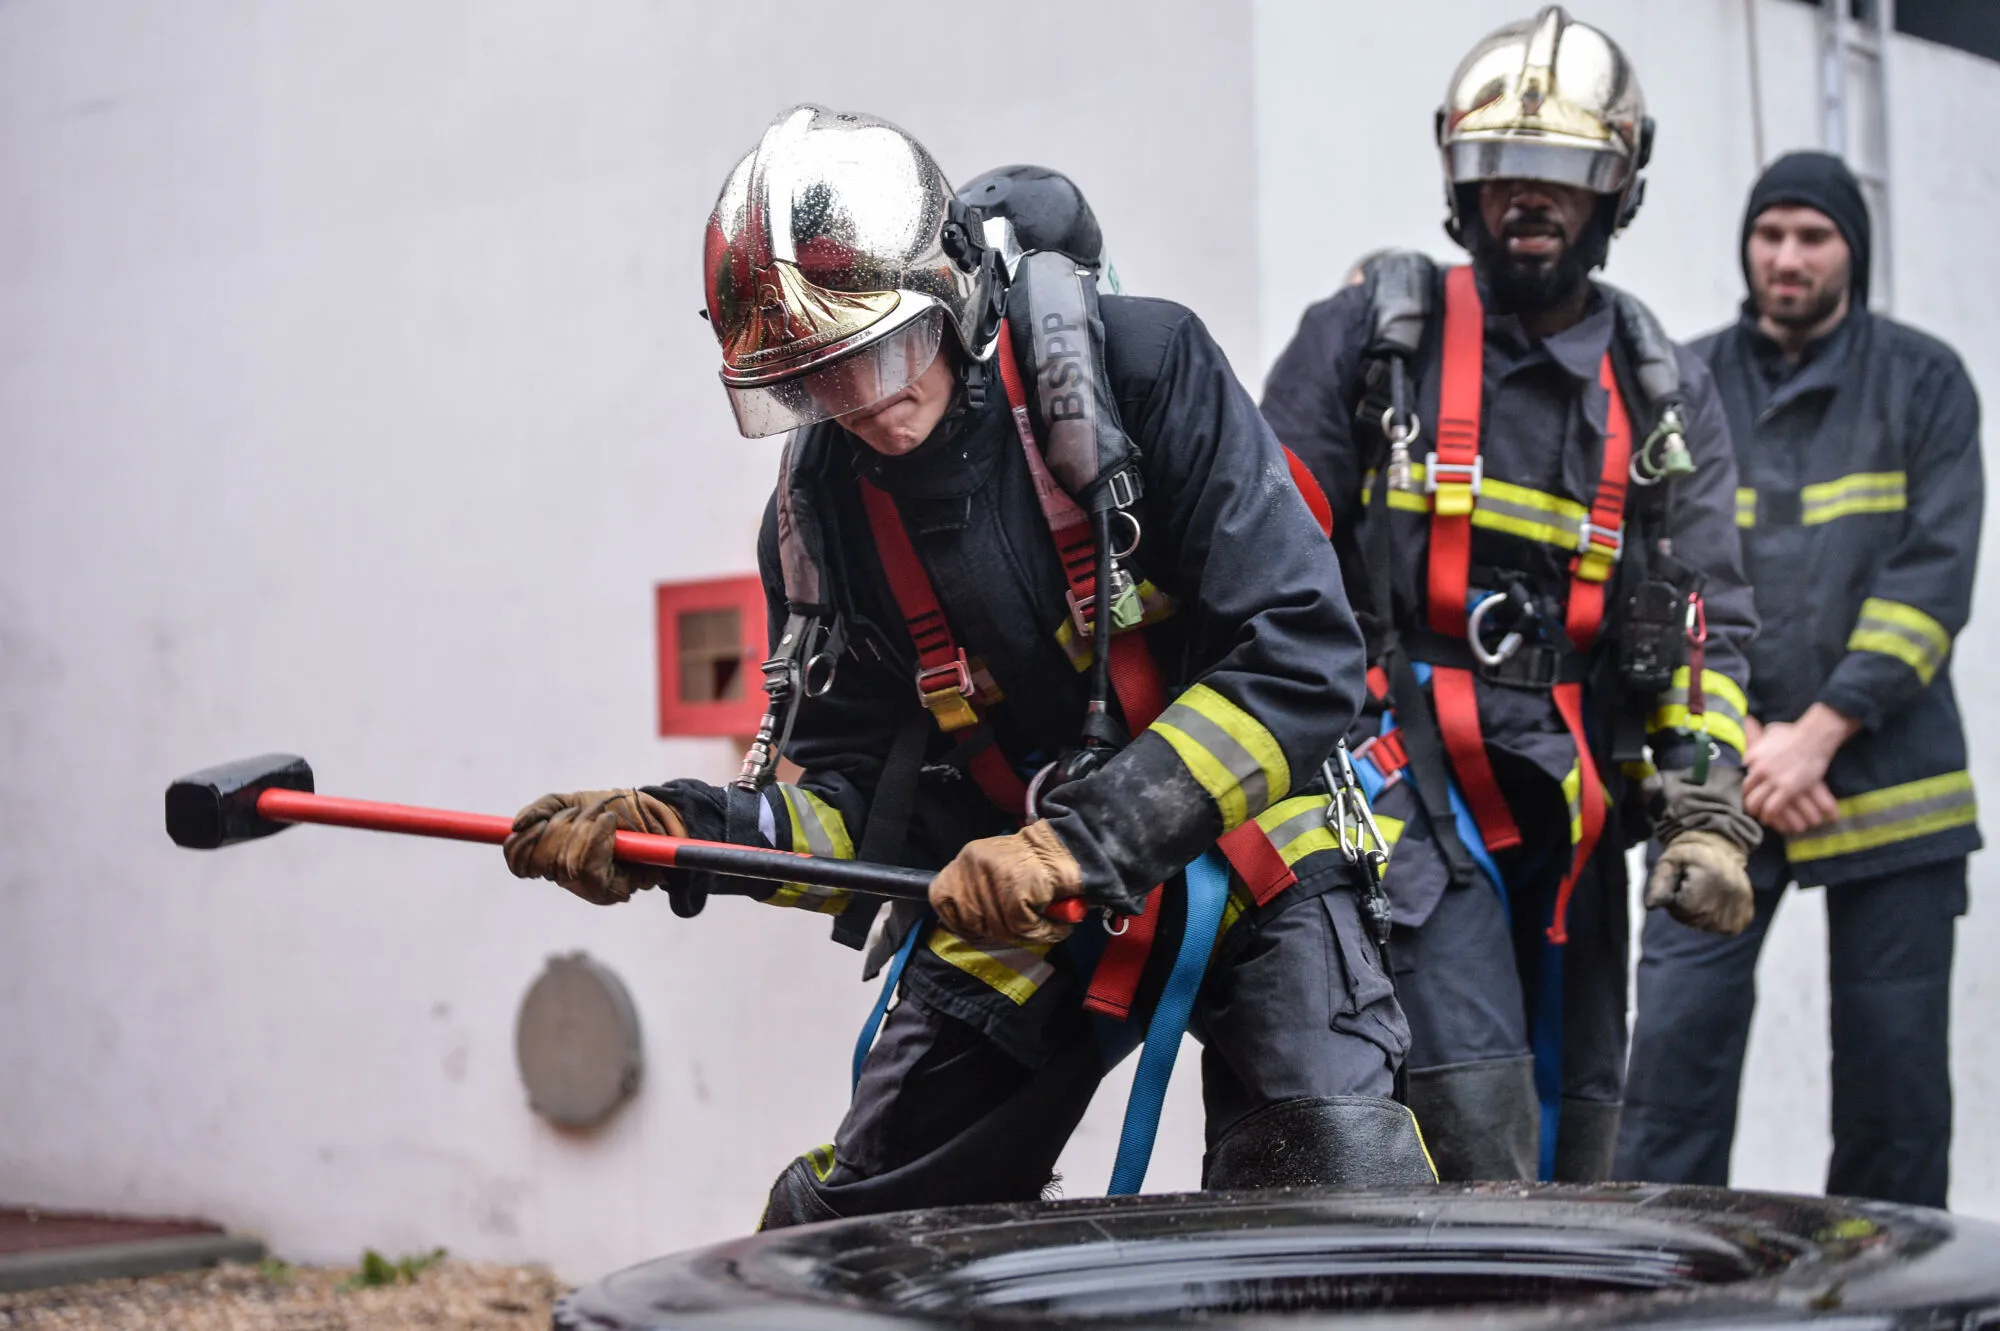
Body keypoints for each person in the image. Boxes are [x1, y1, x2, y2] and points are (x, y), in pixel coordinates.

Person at [502, 107, 1435, 1226]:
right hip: (1018, 902)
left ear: (954, 290)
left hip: (1251, 847)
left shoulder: (1148, 370)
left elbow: (1299, 658)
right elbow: (860, 811)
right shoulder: (819, 516)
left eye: (882, 349)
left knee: (1332, 1205)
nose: (865, 406)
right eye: (814, 380)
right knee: (850, 1240)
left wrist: (1078, 842)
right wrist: (677, 832)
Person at [1260, 6, 1761, 1183]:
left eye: (1563, 178)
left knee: (1579, 1123)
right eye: (1500, 175)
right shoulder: (1370, 339)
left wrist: (1702, 810)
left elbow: (1708, 629)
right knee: (1471, 1122)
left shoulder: (1662, 389)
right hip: (1403, 781)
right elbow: (1263, 558)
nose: (1527, 200)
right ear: (1457, 175)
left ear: (1616, 190)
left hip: (1577, 797)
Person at [1617, 153, 1982, 1208]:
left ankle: (1882, 1303)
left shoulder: (1923, 381)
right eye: (1768, 232)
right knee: (1669, 1077)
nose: (1785, 256)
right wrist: (1750, 745)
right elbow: (1660, 578)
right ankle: (1656, 1292)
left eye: (1810, 236)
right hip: (1715, 777)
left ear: (1848, 251)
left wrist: (1814, 732)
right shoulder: (1676, 382)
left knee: (1892, 1091)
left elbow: (1932, 581)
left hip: (1887, 779)